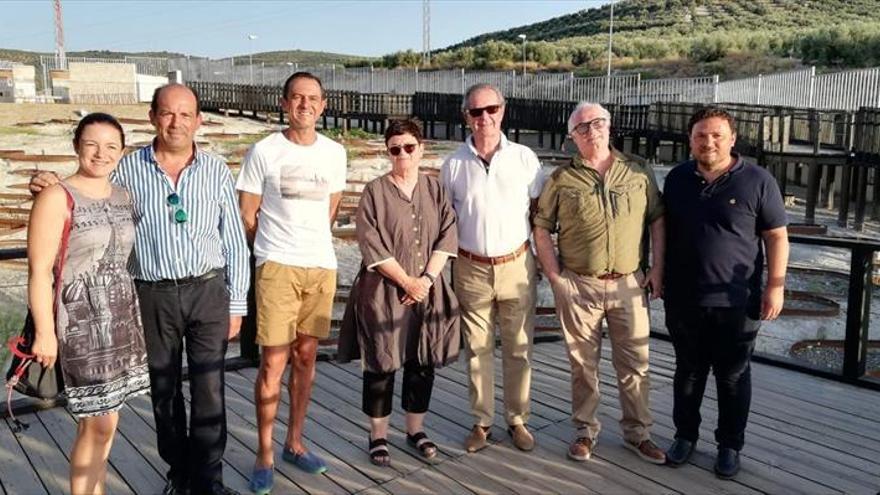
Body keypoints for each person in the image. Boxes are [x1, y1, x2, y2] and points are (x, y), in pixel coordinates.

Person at [31, 84, 250, 495]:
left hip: (208, 293)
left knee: (210, 390)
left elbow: (234, 240)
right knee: (163, 391)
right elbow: (88, 184)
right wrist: (46, 181)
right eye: (168, 113)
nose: (177, 122)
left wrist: (236, 303)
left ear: (199, 120)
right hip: (150, 296)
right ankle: (179, 474)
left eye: (186, 115)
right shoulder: (128, 170)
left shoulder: (217, 169)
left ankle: (209, 481)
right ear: (152, 117)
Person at [533, 102, 667, 464]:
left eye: (598, 123)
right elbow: (541, 227)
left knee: (636, 362)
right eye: (582, 127)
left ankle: (638, 434)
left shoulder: (638, 171)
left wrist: (657, 270)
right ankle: (585, 431)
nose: (592, 131)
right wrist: (556, 277)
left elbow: (657, 220)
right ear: (572, 137)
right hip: (579, 285)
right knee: (583, 364)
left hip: (629, 284)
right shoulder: (562, 179)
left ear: (610, 126)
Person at [662, 107, 789, 479]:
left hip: (737, 300)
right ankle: (685, 436)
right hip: (684, 298)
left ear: (732, 139)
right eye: (701, 135)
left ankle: (729, 445)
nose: (709, 141)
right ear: (690, 140)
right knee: (688, 372)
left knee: (733, 376)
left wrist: (775, 287)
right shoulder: (677, 178)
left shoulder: (758, 180)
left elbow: (776, 236)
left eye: (717, 135)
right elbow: (663, 231)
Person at [29, 113, 150, 495]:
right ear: (77, 145)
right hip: (80, 320)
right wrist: (45, 334)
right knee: (94, 423)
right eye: (92, 144)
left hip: (121, 318)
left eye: (111, 146)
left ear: (122, 151)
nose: (101, 153)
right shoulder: (57, 196)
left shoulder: (123, 195)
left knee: (108, 421)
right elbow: (39, 272)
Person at [236, 72, 346, 494]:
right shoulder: (264, 150)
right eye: (297, 98)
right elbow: (248, 215)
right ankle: (264, 453)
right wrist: (270, 251)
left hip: (320, 266)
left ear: (323, 105)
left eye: (312, 98)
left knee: (306, 359)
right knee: (273, 363)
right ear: (284, 103)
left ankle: (294, 443)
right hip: (277, 266)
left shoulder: (335, 154)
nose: (305, 104)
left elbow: (330, 212)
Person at [337, 119, 459, 467]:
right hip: (385, 290)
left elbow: (447, 235)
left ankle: (415, 430)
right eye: (395, 149)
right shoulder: (375, 191)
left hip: (427, 288)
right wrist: (407, 282)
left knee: (421, 360)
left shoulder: (435, 190)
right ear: (387, 152)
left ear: (421, 149)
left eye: (409, 147)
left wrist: (426, 280)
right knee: (381, 361)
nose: (402, 154)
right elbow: (370, 241)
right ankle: (377, 435)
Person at [440, 83, 544, 453]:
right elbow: (447, 219)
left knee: (519, 347)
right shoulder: (453, 164)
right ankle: (481, 422)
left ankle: (518, 420)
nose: (484, 117)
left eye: (491, 109)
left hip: (516, 263)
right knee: (478, 348)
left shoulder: (525, 158)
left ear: (503, 110)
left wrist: (541, 260)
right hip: (471, 267)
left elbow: (538, 214)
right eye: (475, 111)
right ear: (465, 116)